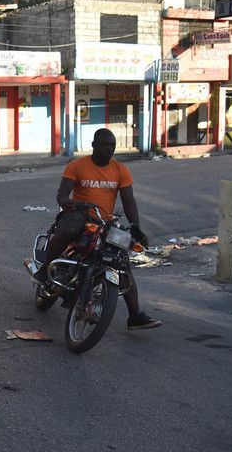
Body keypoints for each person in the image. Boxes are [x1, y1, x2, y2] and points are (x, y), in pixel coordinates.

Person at [33, 128, 161, 331]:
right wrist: (68, 203)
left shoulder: (120, 170)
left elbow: (129, 201)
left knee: (121, 260)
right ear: (93, 145)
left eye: (112, 146)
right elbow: (62, 195)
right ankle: (44, 269)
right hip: (79, 213)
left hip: (104, 221)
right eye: (104, 145)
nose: (109, 149)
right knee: (68, 231)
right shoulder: (76, 166)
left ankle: (135, 315)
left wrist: (136, 227)